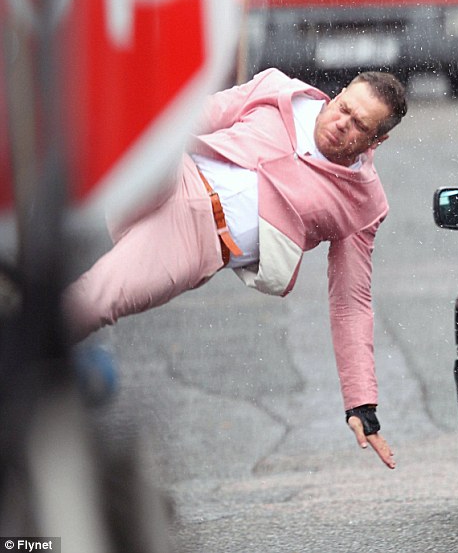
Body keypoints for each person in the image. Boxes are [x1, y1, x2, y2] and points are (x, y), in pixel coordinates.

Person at [63, 67, 407, 469]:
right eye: (343, 108)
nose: (340, 124)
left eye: (358, 126)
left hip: (195, 241)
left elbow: (351, 304)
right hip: (180, 174)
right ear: (340, 93)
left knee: (93, 299)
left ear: (377, 140)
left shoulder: (362, 204)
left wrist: (361, 402)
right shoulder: (278, 90)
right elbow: (196, 117)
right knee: (147, 133)